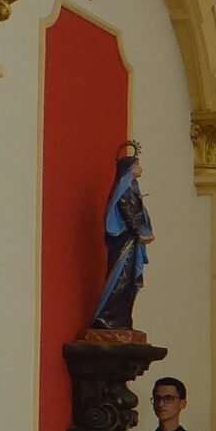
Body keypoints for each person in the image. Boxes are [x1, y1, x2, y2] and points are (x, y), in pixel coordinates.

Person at [91, 140, 155, 332]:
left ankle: (121, 319)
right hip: (124, 242)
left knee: (128, 283)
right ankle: (107, 317)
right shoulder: (124, 192)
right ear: (130, 169)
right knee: (121, 280)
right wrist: (140, 233)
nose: (140, 168)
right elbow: (128, 213)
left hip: (131, 242)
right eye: (137, 165)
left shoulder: (133, 190)